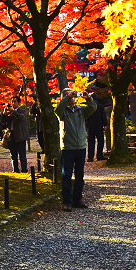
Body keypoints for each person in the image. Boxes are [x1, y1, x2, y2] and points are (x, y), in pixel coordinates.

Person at [54, 74, 97, 211]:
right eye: (68, 96)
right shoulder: (62, 112)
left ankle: (77, 200)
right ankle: (66, 201)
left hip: (80, 146)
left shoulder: (81, 110)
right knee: (66, 175)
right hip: (68, 147)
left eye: (72, 96)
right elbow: (57, 109)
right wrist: (67, 97)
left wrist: (88, 97)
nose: (72, 98)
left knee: (80, 175)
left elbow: (93, 108)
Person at [4, 95, 30, 173]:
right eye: (12, 101)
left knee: (22, 155)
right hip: (11, 135)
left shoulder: (22, 110)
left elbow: (21, 118)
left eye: (15, 101)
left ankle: (24, 170)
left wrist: (14, 111)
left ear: (19, 102)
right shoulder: (10, 113)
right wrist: (5, 113)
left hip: (20, 136)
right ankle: (15, 170)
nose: (13, 103)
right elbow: (4, 123)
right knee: (13, 155)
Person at [86, 81, 108, 162]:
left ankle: (90, 157)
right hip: (99, 125)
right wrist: (105, 124)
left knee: (91, 142)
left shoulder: (88, 106)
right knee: (100, 141)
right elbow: (103, 116)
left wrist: (86, 125)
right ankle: (99, 155)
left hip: (90, 126)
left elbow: (85, 117)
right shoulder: (100, 106)